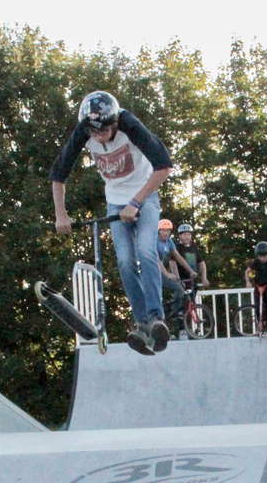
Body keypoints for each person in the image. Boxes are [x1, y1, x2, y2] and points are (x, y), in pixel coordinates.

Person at [50, 90, 174, 355]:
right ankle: (142, 324)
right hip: (116, 203)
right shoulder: (85, 130)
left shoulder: (129, 125)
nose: (98, 138)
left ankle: (155, 317)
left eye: (103, 133)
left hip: (145, 195)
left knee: (145, 251)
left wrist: (137, 202)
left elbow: (163, 167)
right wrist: (61, 214)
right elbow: (58, 175)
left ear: (114, 123)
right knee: (124, 261)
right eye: (93, 134)